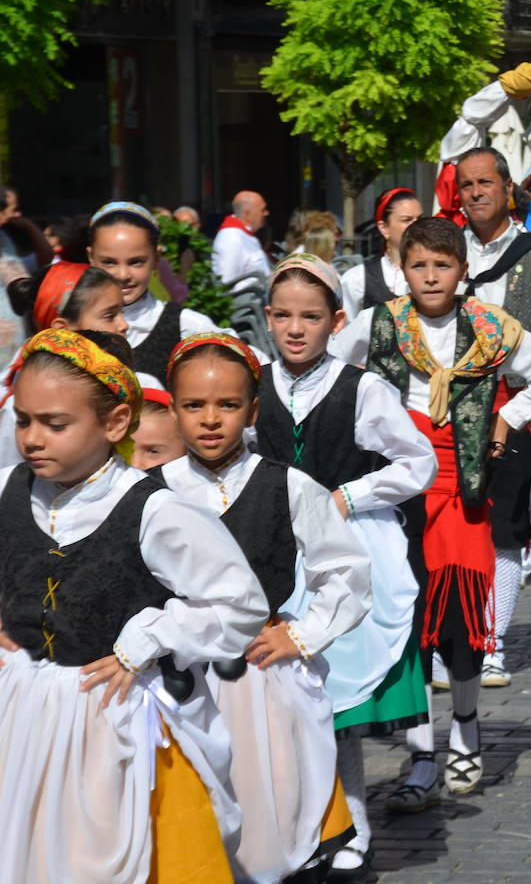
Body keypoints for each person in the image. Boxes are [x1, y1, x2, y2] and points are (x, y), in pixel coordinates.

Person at [0, 327, 269, 883]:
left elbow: (238, 604)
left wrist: (150, 637)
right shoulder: (7, 489)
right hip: (20, 710)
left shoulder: (155, 510)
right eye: (23, 420)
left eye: (55, 424)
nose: (33, 438)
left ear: (116, 422)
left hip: (114, 715)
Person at [330, 216, 531, 804]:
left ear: (462, 271)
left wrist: (508, 417)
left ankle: (466, 726)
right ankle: (422, 754)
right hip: (397, 487)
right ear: (402, 269)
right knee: (408, 620)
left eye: (442, 265)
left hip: (460, 486)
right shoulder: (380, 322)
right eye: (418, 265)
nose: (430, 276)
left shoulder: (488, 325)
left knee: (460, 625)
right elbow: (331, 368)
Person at [155, 333, 367, 882]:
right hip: (175, 680)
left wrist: (301, 635)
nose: (210, 419)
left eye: (227, 405)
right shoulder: (150, 492)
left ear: (252, 411)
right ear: (173, 409)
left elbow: (345, 568)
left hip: (256, 675)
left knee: (267, 795)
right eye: (194, 405)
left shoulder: (287, 485)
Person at [256, 253, 437, 878]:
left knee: (334, 706)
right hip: (274, 553)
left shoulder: (360, 388)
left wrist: (349, 496)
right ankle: (296, 827)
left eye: (310, 317)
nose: (295, 328)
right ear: (267, 317)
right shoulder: (255, 384)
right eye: (283, 315)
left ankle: (352, 825)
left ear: (336, 322)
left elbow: (417, 462)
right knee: (282, 701)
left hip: (343, 553)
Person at [453, 147, 531, 688]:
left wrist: (511, 411)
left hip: (507, 407)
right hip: (449, 408)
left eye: (484, 182)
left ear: (506, 188)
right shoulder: (445, 250)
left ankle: (492, 643)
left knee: (503, 529)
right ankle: (454, 639)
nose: (475, 192)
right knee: (451, 525)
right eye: (466, 184)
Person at [1, 261, 132, 467]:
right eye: (109, 316)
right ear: (63, 330)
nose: (124, 325)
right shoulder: (17, 404)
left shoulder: (134, 381)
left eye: (123, 312)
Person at [86, 202, 224, 374]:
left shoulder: (188, 326)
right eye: (109, 262)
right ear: (91, 257)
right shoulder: (71, 322)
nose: (123, 275)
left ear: (156, 258)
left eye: (136, 262)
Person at [340, 188, 424, 321]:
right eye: (406, 220)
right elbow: (344, 329)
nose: (416, 226)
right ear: (384, 228)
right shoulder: (357, 278)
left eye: (419, 219)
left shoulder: (435, 273)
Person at [213, 190, 272, 291]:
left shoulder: (244, 235)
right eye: (262, 210)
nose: (266, 213)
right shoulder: (231, 238)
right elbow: (225, 284)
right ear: (247, 214)